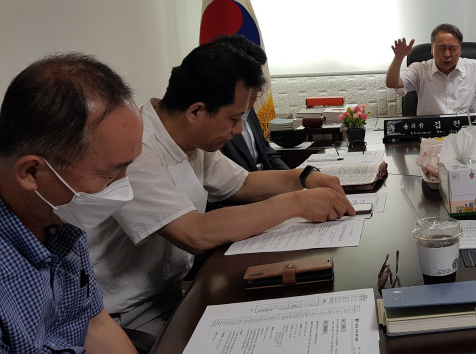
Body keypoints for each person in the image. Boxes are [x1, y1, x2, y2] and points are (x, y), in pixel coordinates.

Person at [87, 43, 355, 338]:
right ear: (196, 111)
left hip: (171, 295)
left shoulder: (191, 140)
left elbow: (243, 183)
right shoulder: (137, 150)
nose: (238, 130)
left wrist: (303, 176)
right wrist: (298, 203)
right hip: (123, 318)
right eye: (233, 119)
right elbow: (196, 233)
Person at [0, 53, 140, 353]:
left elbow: (94, 323)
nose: (122, 186)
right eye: (109, 174)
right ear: (32, 172)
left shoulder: (59, 220)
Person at [386, 23, 476, 115]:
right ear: (432, 49)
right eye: (442, 48)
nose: (447, 54)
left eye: (452, 48)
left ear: (460, 49)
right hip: (431, 134)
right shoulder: (420, 69)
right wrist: (398, 58)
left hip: (466, 133)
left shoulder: (474, 67)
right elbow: (393, 83)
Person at [214, 35, 290, 171]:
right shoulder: (215, 119)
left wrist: (294, 176)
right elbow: (232, 179)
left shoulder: (249, 108)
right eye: (253, 81)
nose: (259, 89)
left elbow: (266, 151)